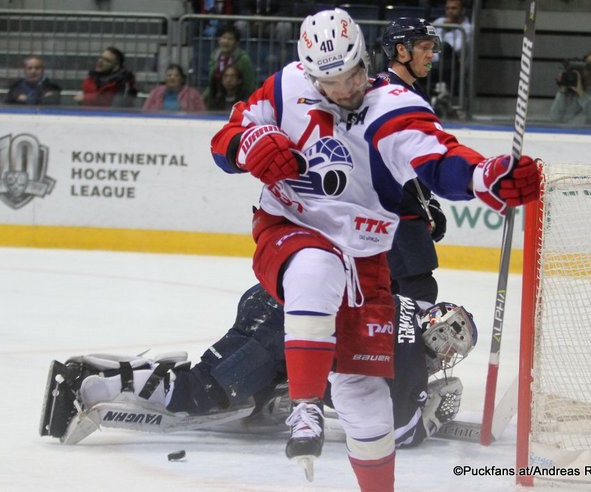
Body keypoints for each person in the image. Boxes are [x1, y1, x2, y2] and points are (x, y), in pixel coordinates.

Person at [209, 8, 540, 491]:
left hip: (365, 260)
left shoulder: (393, 107)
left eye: (352, 73)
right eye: (331, 80)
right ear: (308, 71)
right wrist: (249, 144)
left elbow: (440, 159)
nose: (345, 88)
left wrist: (483, 177)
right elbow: (227, 138)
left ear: (364, 57)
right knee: (314, 266)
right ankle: (304, 409)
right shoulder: (284, 86)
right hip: (287, 226)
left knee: (364, 395)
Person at [40, 285, 477, 453]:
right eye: (449, 349)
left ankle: (140, 374)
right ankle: (94, 382)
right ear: (438, 335)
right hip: (281, 323)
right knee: (207, 394)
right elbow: (395, 433)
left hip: (280, 303)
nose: (444, 361)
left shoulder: (404, 306)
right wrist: (429, 418)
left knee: (257, 394)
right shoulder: (408, 354)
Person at [379, 17, 448, 306]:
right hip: (395, 219)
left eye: (432, 47)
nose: (431, 55)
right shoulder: (386, 95)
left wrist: (428, 204)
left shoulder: (407, 91)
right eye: (424, 47)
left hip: (401, 216)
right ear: (402, 51)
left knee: (399, 295)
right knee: (417, 295)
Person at [549, 51, 591, 126]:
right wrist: (563, 90)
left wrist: (581, 93)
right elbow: (554, 117)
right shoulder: (570, 89)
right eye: (588, 65)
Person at [201, 25, 256, 107]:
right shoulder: (215, 56)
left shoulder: (244, 59)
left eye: (230, 39)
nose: (226, 41)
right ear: (219, 40)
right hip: (217, 99)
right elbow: (211, 83)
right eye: (223, 38)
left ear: (236, 42)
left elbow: (249, 85)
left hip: (239, 100)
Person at [74, 47, 138, 108]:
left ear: (116, 67)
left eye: (107, 61)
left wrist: (85, 98)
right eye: (101, 58)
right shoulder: (91, 79)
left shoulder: (122, 82)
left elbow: (115, 104)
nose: (100, 62)